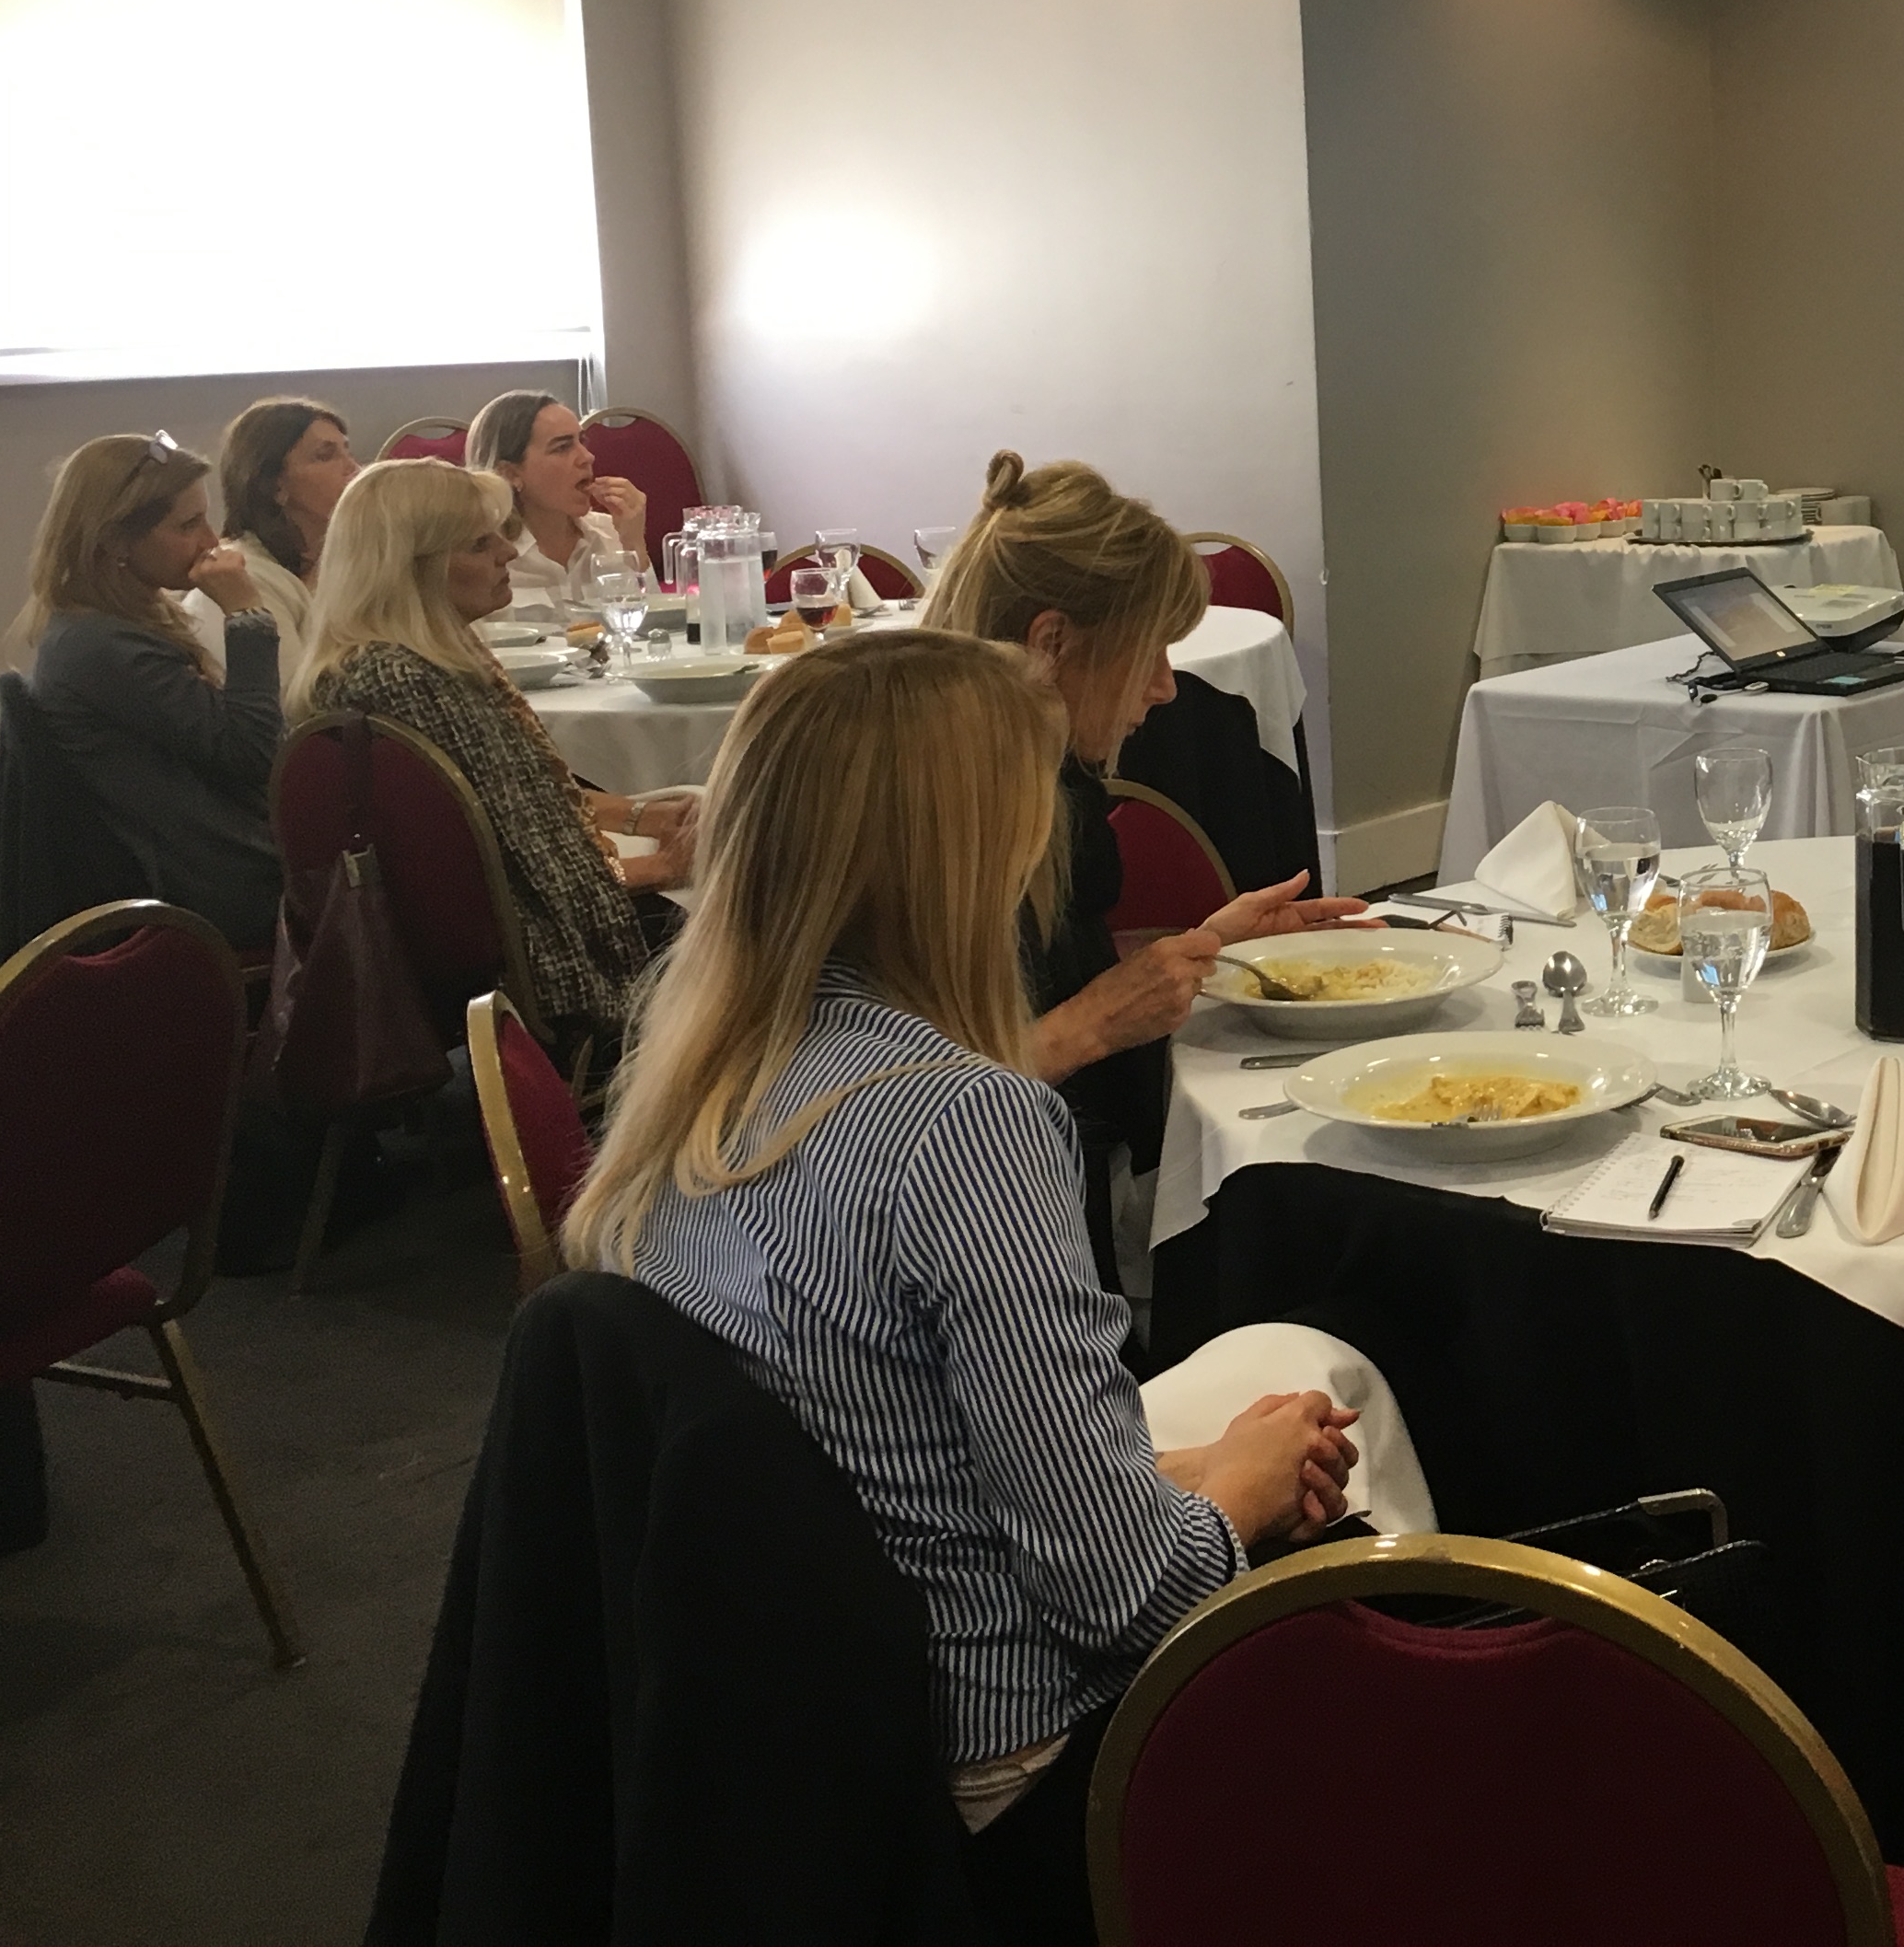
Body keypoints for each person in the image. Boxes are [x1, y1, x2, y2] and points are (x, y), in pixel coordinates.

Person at [561, 631, 1369, 1941]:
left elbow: (874, 1419)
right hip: (998, 1751)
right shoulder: (967, 1126)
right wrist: (1237, 1490)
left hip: (785, 1693)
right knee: (1331, 1400)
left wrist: (1180, 1470)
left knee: (1274, 1386)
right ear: (980, 851)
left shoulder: (691, 1074)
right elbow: (1129, 1600)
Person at [921, 451, 1364, 1096]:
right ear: (1052, 643)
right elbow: (897, 1102)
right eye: (1147, 651)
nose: (1164, 688)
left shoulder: (1050, 779)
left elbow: (1047, 979)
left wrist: (1209, 946)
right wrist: (1091, 1025)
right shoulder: (931, 820)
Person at [296, 459, 691, 1058]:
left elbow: (519, 809)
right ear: (413, 567)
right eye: (481, 543)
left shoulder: (358, 664)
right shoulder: (420, 680)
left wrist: (640, 817)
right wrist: (669, 869)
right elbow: (539, 873)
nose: (509, 551)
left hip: (458, 964)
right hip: (548, 977)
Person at [14, 433, 284, 946]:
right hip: (220, 895)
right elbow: (253, 752)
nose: (211, 540)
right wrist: (248, 616)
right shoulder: (103, 646)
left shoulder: (113, 625)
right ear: (115, 541)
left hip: (219, 867)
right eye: (188, 525)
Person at [185, 398, 360, 672]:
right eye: (325, 456)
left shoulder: (347, 561)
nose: (353, 468)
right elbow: (291, 706)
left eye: (347, 452)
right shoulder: (241, 576)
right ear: (273, 484)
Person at [468, 389, 646, 616]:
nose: (587, 457)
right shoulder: (485, 557)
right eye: (562, 447)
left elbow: (658, 633)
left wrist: (635, 546)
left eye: (581, 441)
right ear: (510, 473)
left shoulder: (611, 533)